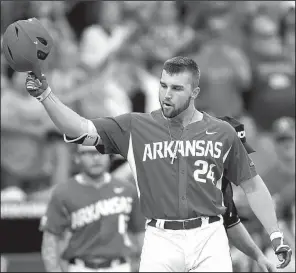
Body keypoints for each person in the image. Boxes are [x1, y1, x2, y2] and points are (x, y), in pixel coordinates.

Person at [26, 56, 292, 272]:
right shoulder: (135, 125)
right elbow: (81, 129)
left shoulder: (223, 131)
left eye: (176, 88)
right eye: (163, 85)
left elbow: (253, 186)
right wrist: (46, 95)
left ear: (195, 92)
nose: (166, 94)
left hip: (209, 235)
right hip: (160, 238)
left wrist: (275, 235)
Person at [40, 145, 145, 272]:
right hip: (80, 267)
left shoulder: (128, 190)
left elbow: (142, 234)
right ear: (77, 158)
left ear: (109, 156)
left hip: (120, 266)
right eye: (88, 153)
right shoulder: (62, 192)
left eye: (101, 152)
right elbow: (50, 241)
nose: (96, 158)